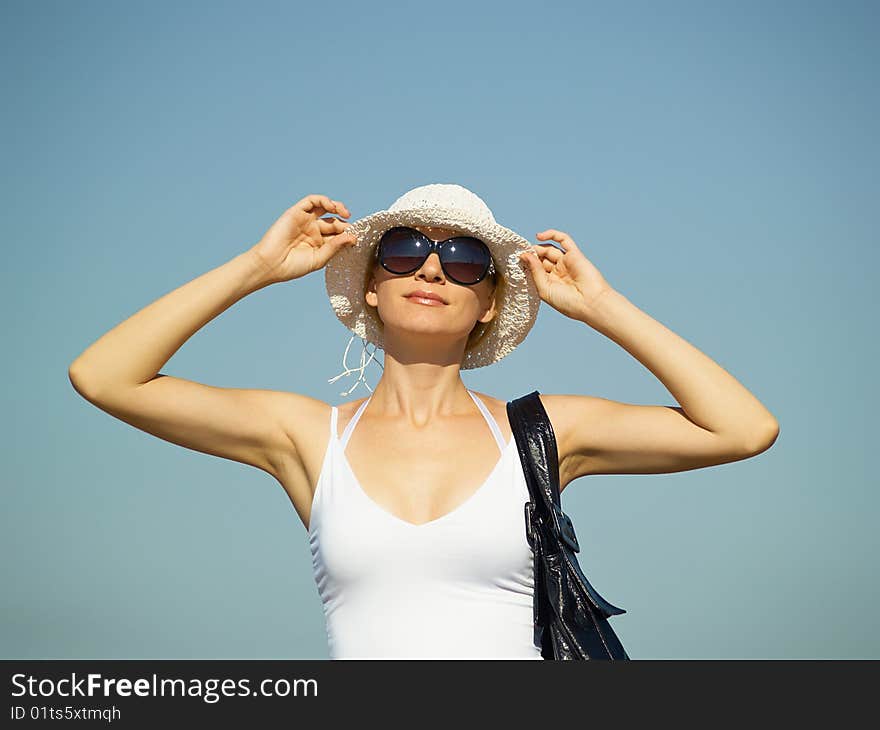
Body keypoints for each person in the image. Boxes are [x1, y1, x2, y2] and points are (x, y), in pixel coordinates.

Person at [68, 183, 780, 660]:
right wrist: (256, 267)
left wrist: (604, 308)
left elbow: (742, 429)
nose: (432, 271)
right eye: (406, 251)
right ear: (372, 289)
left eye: (466, 259)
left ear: (492, 302)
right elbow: (103, 375)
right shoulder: (309, 437)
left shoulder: (541, 433)